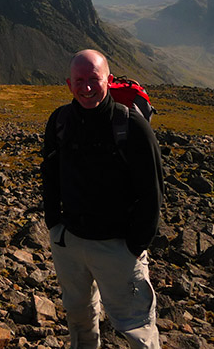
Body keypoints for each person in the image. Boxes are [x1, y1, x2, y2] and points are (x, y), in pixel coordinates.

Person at [41, 49, 163, 349]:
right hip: (70, 243)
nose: (86, 87)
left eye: (93, 79)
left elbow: (152, 191)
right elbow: (50, 175)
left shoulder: (132, 127)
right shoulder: (59, 122)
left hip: (117, 247)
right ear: (68, 84)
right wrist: (55, 226)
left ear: (108, 80)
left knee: (137, 327)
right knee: (79, 316)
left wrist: (135, 246)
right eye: (79, 80)